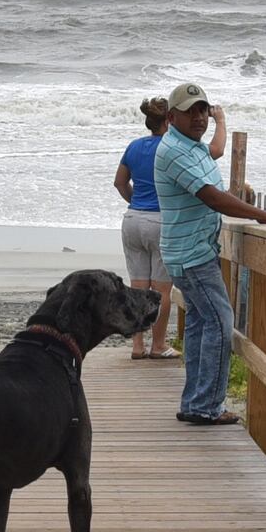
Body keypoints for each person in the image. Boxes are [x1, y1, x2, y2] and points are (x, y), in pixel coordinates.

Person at [151, 81, 266, 426]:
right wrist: (263, 215)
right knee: (221, 323)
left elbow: (215, 159)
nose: (199, 117)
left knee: (199, 323)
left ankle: (195, 402)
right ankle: (206, 406)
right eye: (190, 111)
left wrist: (221, 124)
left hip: (194, 249)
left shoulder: (192, 146)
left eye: (203, 110)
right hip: (191, 254)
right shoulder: (175, 150)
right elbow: (213, 197)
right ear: (172, 117)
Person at [111, 98, 170, 359]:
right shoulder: (171, 148)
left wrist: (136, 201)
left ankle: (137, 345)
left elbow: (120, 183)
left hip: (133, 219)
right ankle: (158, 345)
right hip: (161, 220)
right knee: (161, 290)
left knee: (138, 287)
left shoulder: (134, 147)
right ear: (170, 121)